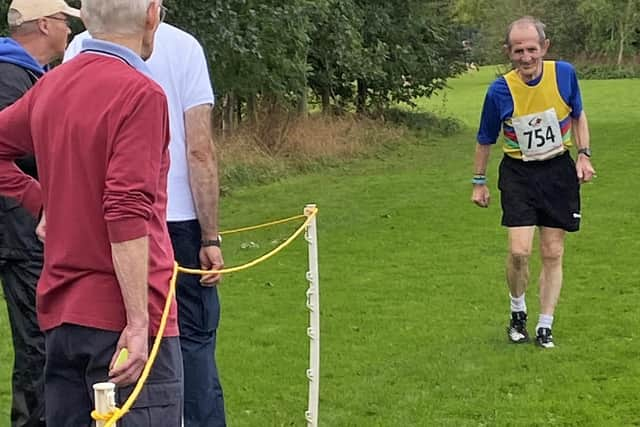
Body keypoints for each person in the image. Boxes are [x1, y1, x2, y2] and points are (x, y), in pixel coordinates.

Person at [0, 0, 185, 425]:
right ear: (152, 14)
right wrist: (139, 321)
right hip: (125, 324)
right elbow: (125, 211)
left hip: (63, 317)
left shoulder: (51, 85)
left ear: (87, 18)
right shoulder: (140, 94)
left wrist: (41, 199)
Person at [65, 21, 227, 426]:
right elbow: (199, 150)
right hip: (171, 220)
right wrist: (210, 235)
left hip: (99, 222)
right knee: (190, 342)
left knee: (103, 339)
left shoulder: (80, 46)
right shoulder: (185, 47)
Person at [471, 16, 595, 349]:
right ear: (508, 52)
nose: (526, 57)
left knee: (553, 252)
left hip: (558, 172)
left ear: (544, 47)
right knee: (519, 251)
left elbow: (578, 113)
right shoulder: (499, 89)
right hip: (518, 173)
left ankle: (545, 324)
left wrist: (584, 154)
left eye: (531, 49)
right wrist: (478, 181)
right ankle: (517, 311)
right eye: (518, 51)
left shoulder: (564, 74)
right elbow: (485, 137)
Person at [0, 1, 79, 426]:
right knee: (37, 345)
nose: (69, 32)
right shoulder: (13, 77)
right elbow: (30, 150)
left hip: (21, 228)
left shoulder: (29, 75)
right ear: (45, 24)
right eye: (66, 22)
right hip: (18, 231)